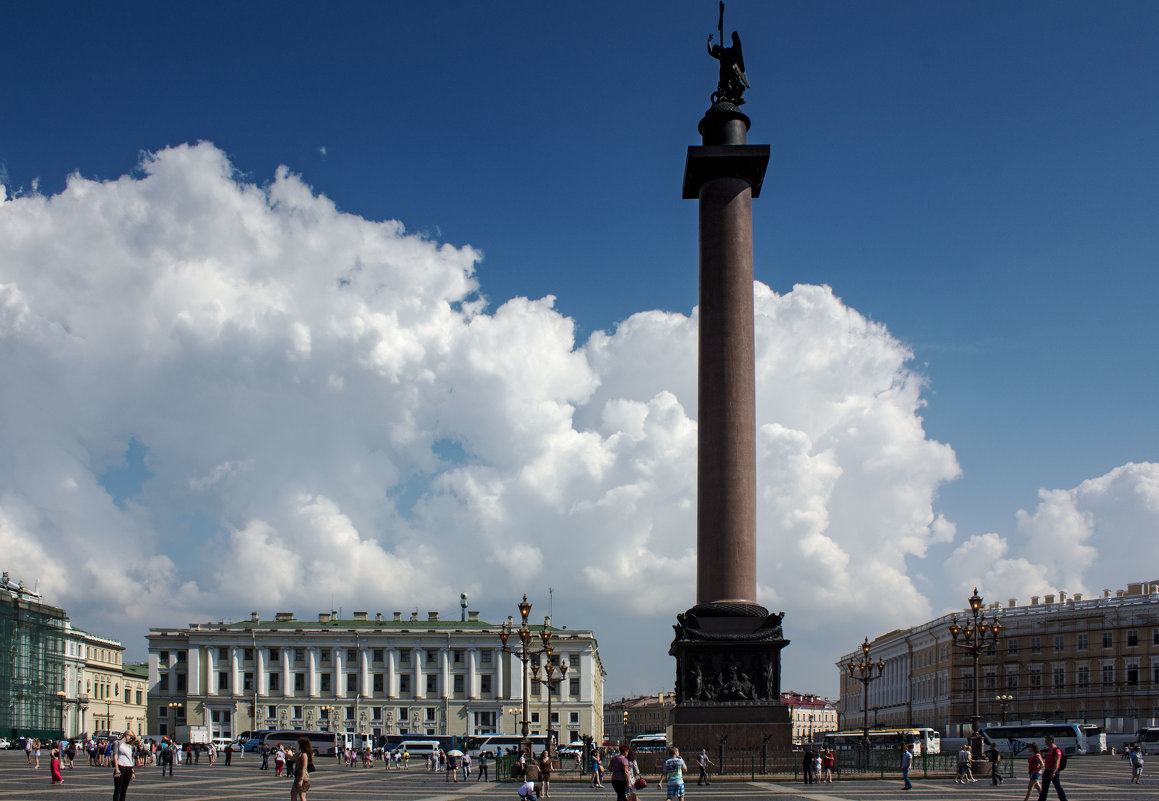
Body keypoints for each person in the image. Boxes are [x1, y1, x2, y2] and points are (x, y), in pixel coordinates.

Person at [1037, 734, 1068, 801]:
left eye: (1046, 740)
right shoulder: (1049, 750)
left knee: (1058, 788)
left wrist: (1054, 772)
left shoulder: (1056, 750)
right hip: (1047, 771)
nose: (1045, 742)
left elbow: (1057, 762)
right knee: (1044, 789)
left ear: (1051, 741)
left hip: (1053, 771)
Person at [112, 731, 139, 801]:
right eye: (131, 737)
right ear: (126, 735)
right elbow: (115, 756)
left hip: (129, 768)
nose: (130, 739)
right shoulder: (117, 743)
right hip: (121, 767)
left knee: (124, 790)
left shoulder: (129, 746)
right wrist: (117, 769)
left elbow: (130, 759)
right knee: (118, 789)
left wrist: (132, 772)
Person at [291, 736, 313, 801]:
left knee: (302, 795)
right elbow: (292, 758)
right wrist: (283, 751)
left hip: (303, 777)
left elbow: (304, 768)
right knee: (293, 793)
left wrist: (301, 780)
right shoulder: (299, 754)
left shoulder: (304, 755)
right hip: (297, 776)